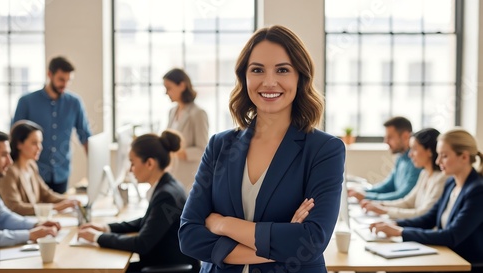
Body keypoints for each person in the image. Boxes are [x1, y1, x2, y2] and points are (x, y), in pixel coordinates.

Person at [179, 25, 345, 273]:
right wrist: (279, 245)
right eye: (257, 70)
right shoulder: (219, 146)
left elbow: (310, 241)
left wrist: (222, 224)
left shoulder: (324, 150)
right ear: (244, 77)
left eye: (282, 70)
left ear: (300, 77)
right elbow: (189, 236)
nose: (269, 81)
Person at [77, 131, 200, 273]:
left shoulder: (167, 195)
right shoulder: (168, 185)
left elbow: (141, 243)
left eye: (133, 163)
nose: (130, 170)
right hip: (162, 263)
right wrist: (106, 228)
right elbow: (147, 221)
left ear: (149, 163)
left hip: (165, 268)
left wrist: (97, 237)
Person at [370, 128, 483, 267]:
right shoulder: (451, 183)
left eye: (444, 156)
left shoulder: (477, 191)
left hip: (465, 264)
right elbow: (429, 218)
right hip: (447, 256)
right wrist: (396, 224)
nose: (437, 161)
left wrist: (400, 232)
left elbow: (452, 235)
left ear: (464, 157)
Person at [13, 56, 92, 194]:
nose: (65, 84)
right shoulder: (26, 102)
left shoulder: (74, 103)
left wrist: (94, 171)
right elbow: (15, 139)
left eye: (69, 80)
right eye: (61, 79)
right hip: (32, 173)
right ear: (50, 74)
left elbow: (85, 136)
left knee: (60, 212)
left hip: (62, 173)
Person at [0, 129, 61, 249]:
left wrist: (35, 225)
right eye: (4, 155)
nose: (10, 161)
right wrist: (28, 235)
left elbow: (2, 216)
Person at [360, 128, 448, 219]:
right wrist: (379, 205)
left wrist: (384, 210)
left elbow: (423, 214)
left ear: (429, 151)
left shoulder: (442, 179)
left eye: (414, 149)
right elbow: (407, 202)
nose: (410, 154)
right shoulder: (424, 174)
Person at [0, 120, 80, 216]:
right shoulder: (9, 171)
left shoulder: (31, 165)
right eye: (34, 143)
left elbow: (45, 194)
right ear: (19, 144)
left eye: (40, 143)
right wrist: (54, 207)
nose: (40, 147)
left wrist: (69, 201)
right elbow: (14, 207)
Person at [348, 116, 422, 201]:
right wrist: (361, 191)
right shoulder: (401, 158)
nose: (385, 141)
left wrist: (366, 196)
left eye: (390, 137)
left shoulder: (416, 162)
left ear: (405, 136)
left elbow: (403, 196)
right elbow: (388, 186)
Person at [163, 68, 209, 193]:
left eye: (169, 88)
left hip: (189, 178)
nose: (166, 92)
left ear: (182, 85)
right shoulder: (172, 112)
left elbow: (202, 150)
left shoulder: (198, 113)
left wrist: (178, 152)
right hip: (173, 174)